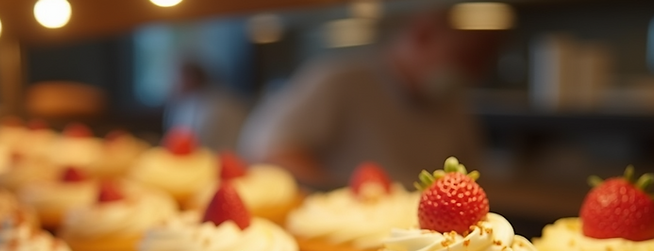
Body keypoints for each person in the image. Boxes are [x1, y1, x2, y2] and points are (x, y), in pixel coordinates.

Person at [239, 10, 500, 190]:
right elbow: (270, 151)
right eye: (464, 56)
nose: (471, 70)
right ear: (423, 34)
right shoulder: (340, 81)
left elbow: (474, 175)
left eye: (481, 61)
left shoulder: (453, 103)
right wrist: (345, 197)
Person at [164, 59, 248, 152]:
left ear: (191, 79)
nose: (173, 84)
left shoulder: (213, 106)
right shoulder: (188, 103)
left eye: (177, 78)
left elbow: (193, 145)